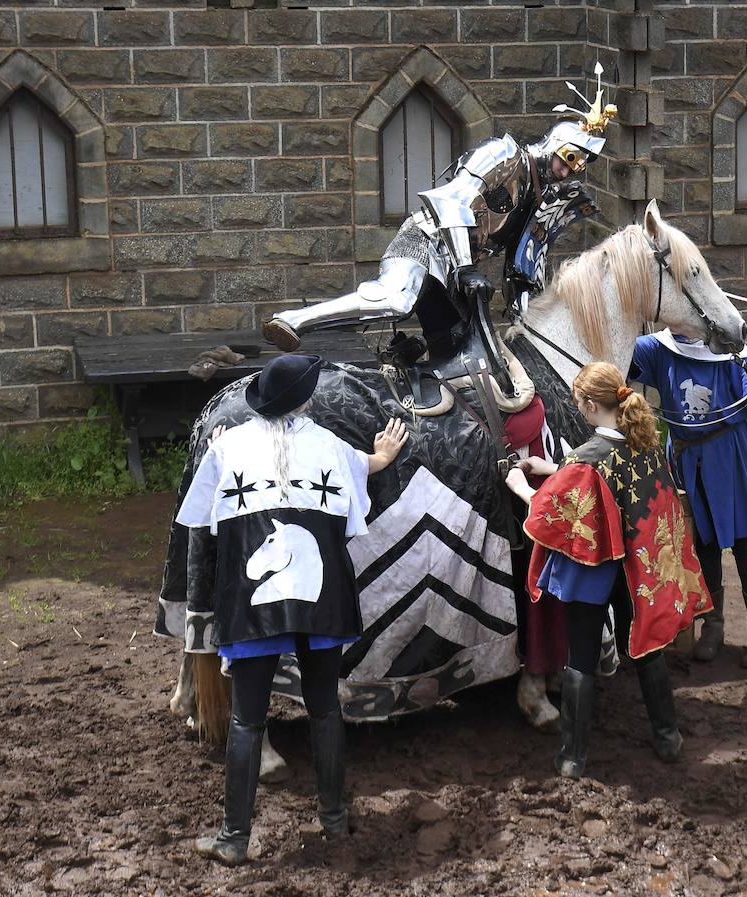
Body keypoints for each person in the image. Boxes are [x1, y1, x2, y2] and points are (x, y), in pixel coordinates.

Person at [175, 353, 408, 865]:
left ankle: (234, 839)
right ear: (306, 400)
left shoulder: (228, 445)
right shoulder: (329, 444)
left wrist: (223, 457)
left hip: (251, 604)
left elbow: (199, 516)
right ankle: (334, 818)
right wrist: (383, 457)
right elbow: (359, 479)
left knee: (246, 721)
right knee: (324, 706)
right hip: (322, 597)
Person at [260, 82, 617, 376]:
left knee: (471, 359)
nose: (569, 171)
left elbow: (523, 269)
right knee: (395, 299)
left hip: (454, 276)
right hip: (425, 243)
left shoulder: (541, 201)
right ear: (556, 144)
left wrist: (529, 323)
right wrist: (465, 267)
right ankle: (293, 320)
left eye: (579, 166)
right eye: (570, 158)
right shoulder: (503, 156)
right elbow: (452, 200)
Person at [505, 362, 711, 778]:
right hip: (639, 573)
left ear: (585, 404)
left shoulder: (586, 459)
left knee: (580, 661)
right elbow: (600, 475)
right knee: (646, 648)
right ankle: (668, 736)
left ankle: (572, 758)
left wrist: (520, 485)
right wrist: (555, 468)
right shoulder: (646, 442)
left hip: (594, 573)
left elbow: (556, 509)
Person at [629, 329, 747, 669]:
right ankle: (713, 625)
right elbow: (618, 353)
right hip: (688, 458)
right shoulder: (658, 348)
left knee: (745, 542)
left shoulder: (726, 347)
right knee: (704, 545)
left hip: (731, 456)